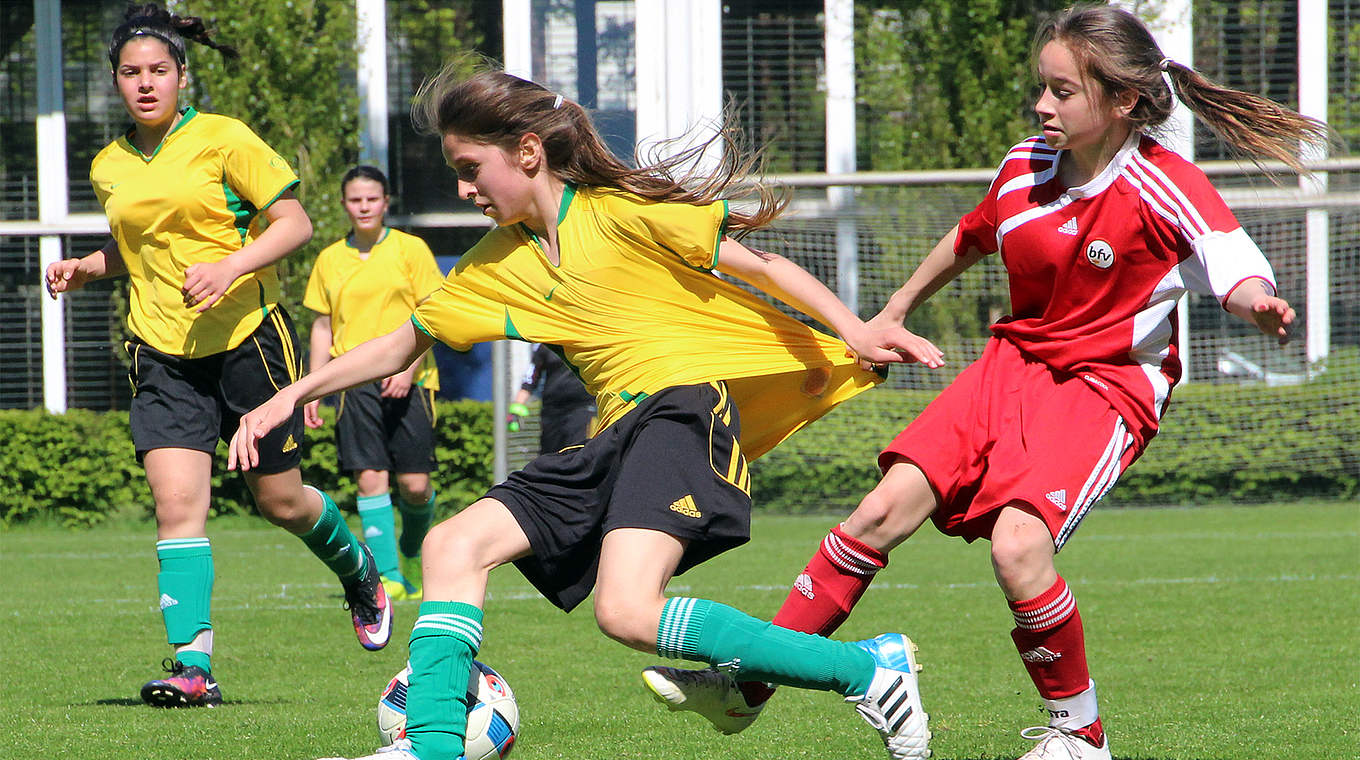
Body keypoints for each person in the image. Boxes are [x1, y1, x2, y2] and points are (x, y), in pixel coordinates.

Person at [642, 5, 1327, 760]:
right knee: (878, 511)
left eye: (1063, 92)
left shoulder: (1166, 184)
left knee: (1018, 547)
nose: (1043, 105)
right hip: (1014, 364)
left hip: (1106, 385)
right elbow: (972, 235)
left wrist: (1256, 301)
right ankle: (746, 689)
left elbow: (1231, 260)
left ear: (1123, 101)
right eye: (1043, 87)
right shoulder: (1025, 164)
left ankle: (1081, 736)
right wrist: (896, 307)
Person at [229, 63, 945, 760]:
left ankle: (868, 673)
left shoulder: (619, 214)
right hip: (614, 434)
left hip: (682, 410)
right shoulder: (494, 263)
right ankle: (436, 748)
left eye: (472, 168)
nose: (463, 187)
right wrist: (292, 393)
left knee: (627, 608)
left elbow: (761, 266)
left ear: (529, 152)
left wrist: (856, 331)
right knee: (453, 548)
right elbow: (397, 345)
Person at [43, 3, 393, 709]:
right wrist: (89, 265)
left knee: (281, 501)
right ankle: (192, 667)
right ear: (115, 81)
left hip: (248, 340)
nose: (145, 84)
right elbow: (141, 251)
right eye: (131, 73)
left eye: (158, 71)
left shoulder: (224, 138)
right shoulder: (109, 165)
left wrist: (232, 266)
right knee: (176, 505)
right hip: (161, 349)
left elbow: (294, 223)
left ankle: (357, 569)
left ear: (181, 76)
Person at [303, 165, 446, 602]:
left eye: (372, 199)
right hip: (353, 380)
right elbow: (323, 326)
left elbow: (436, 314)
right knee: (370, 477)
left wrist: (407, 369)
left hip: (413, 378)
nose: (364, 206)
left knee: (415, 484)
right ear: (345, 205)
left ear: (386, 203)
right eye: (354, 199)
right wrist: (313, 385)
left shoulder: (411, 249)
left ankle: (411, 547)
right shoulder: (329, 258)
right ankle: (388, 576)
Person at [506, 343, 597, 454]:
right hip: (552, 411)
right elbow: (530, 378)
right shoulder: (546, 344)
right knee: (550, 457)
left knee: (577, 453)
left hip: (583, 407)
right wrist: (517, 407)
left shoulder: (590, 338)